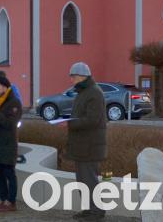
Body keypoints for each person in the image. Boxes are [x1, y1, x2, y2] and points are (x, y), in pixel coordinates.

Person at [64, 62, 107, 221]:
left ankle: (96, 212)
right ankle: (89, 210)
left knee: (89, 180)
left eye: (73, 77)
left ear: (82, 77)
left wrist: (69, 123)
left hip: (90, 146)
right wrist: (70, 121)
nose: (71, 80)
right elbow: (82, 117)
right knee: (83, 180)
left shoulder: (94, 93)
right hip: (82, 145)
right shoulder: (84, 92)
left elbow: (92, 120)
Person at [0, 75, 22, 212]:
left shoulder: (14, 103)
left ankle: (11, 201)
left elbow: (10, 123)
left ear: (5, 87)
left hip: (8, 143)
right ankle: (3, 199)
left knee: (9, 173)